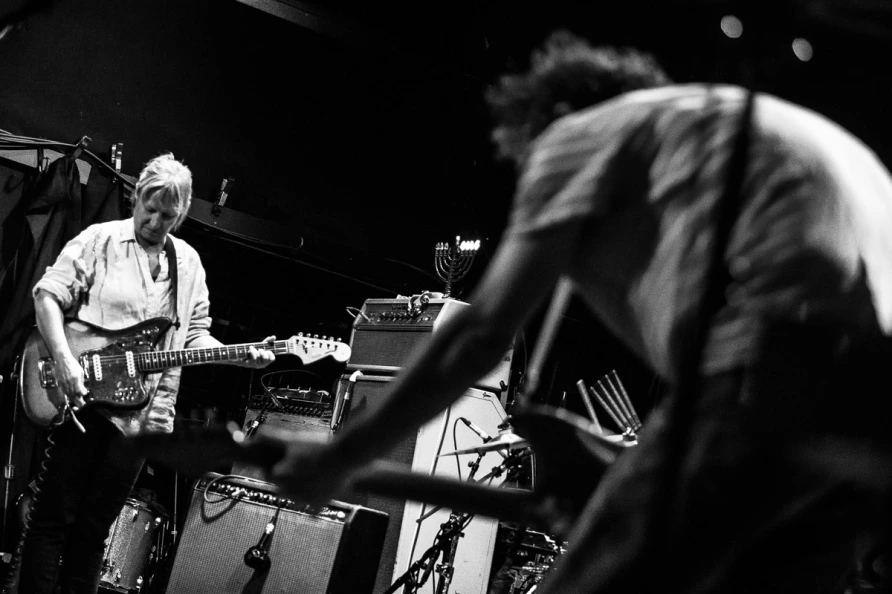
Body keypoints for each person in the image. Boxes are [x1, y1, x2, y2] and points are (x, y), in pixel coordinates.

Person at [271, 30, 892, 593]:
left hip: (770, 370)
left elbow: (480, 335)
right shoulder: (721, 129)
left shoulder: (576, 133)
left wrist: (342, 455)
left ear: (546, 118)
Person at [16, 153, 275, 594]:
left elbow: (194, 338)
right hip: (85, 403)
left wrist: (239, 355)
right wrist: (63, 360)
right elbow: (47, 296)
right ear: (136, 197)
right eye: (148, 209)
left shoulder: (189, 264)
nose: (154, 222)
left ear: (182, 214)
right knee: (51, 521)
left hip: (142, 419)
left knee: (96, 530)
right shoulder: (101, 239)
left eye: (167, 215)